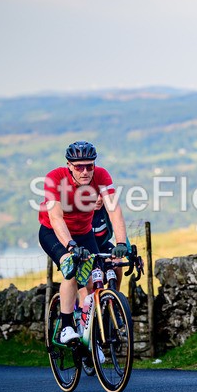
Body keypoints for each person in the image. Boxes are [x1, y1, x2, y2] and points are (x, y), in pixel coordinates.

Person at [38, 141, 129, 344]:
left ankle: (89, 337)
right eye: (79, 167)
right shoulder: (55, 178)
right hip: (54, 233)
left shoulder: (102, 176)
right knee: (71, 267)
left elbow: (114, 209)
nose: (85, 171)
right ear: (69, 165)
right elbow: (56, 218)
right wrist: (70, 246)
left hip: (84, 233)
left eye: (90, 166)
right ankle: (67, 326)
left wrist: (121, 242)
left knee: (92, 279)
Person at [92, 194, 126, 290]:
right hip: (86, 248)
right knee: (99, 274)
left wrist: (129, 253)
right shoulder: (81, 212)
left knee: (117, 262)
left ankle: (115, 295)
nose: (99, 200)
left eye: (101, 196)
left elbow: (120, 231)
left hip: (103, 245)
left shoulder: (107, 210)